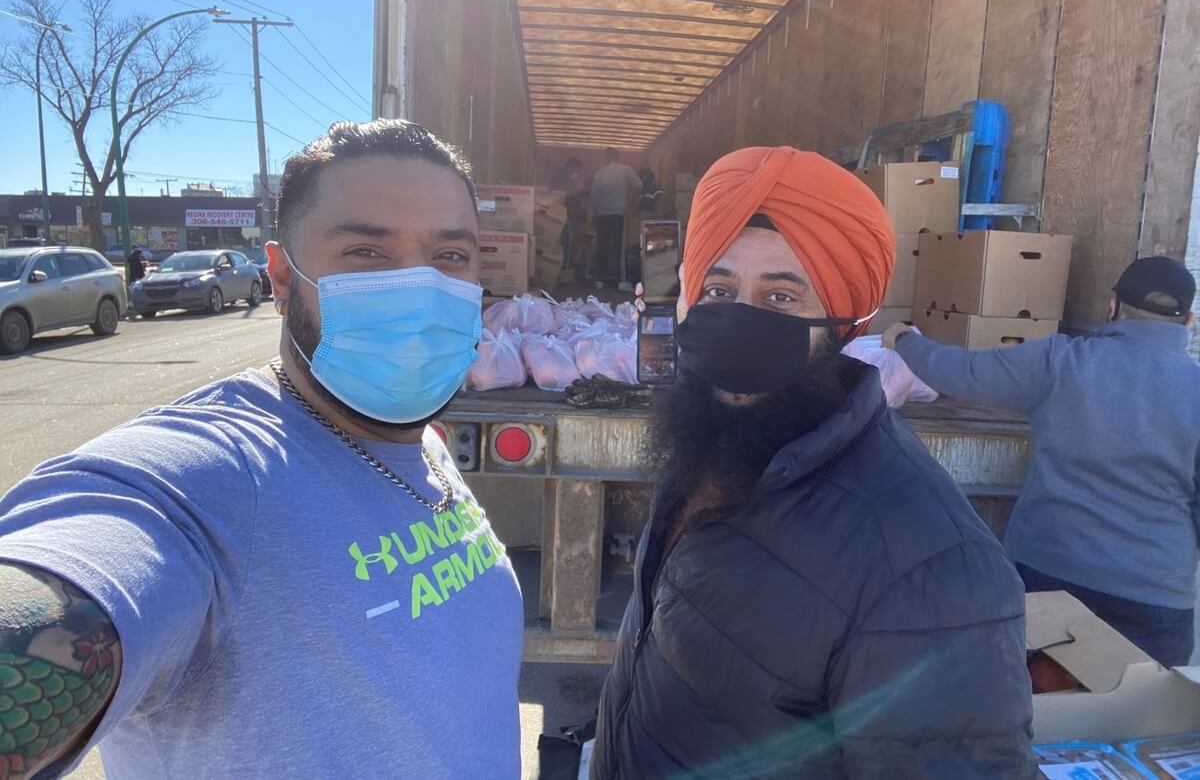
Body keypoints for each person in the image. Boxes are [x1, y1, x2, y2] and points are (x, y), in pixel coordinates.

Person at [0, 120, 524, 778]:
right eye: (366, 252)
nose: (417, 291)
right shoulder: (210, 478)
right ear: (280, 277)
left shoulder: (414, 441)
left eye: (449, 257)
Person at [591, 147, 1035, 779]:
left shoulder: (929, 571)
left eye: (780, 297)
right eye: (719, 289)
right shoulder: (712, 441)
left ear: (845, 324)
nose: (739, 316)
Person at [885, 255, 1200, 667]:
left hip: (1049, 578)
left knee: (1035, 716)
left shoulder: (1061, 361)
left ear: (1112, 306)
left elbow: (962, 372)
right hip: (1155, 602)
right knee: (1134, 723)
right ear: (1189, 321)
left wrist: (904, 339)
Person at [588, 147, 641, 290]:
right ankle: (621, 281)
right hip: (619, 214)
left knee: (602, 248)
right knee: (620, 248)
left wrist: (591, 215)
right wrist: (630, 201)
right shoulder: (625, 170)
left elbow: (593, 196)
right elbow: (638, 185)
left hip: (601, 215)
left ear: (605, 157)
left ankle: (600, 280)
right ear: (618, 157)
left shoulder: (599, 173)